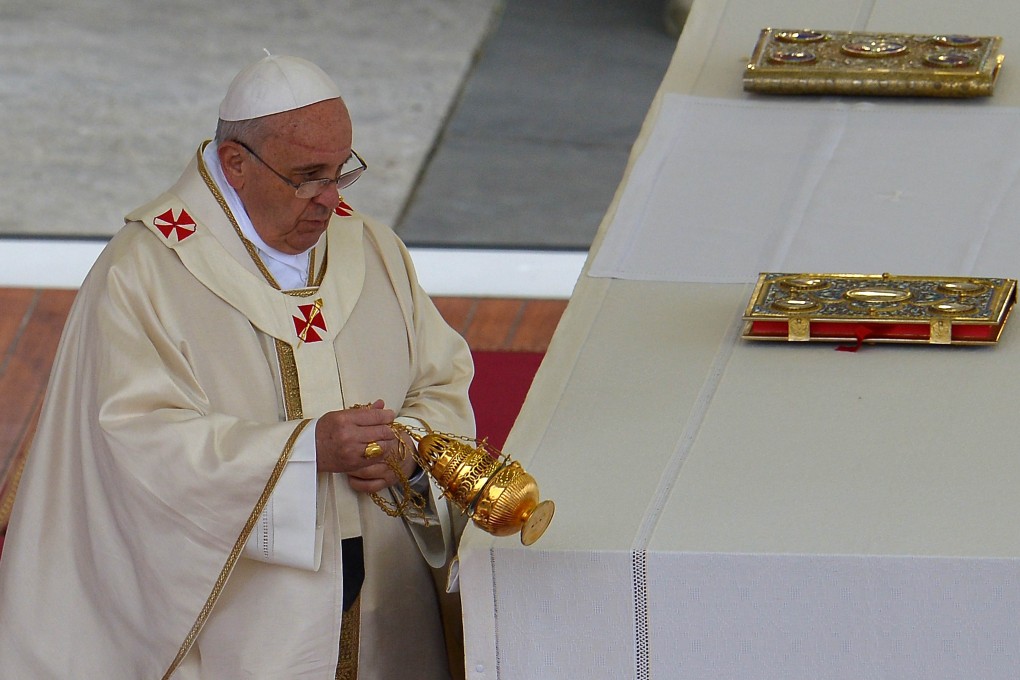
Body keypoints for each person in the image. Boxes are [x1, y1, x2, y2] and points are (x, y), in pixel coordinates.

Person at [0, 54, 474, 679]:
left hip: (385, 588)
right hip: (242, 620)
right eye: (308, 177)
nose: (331, 201)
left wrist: (407, 450)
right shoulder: (145, 273)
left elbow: (441, 382)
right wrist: (307, 453)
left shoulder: (373, 249)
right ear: (235, 165)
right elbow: (135, 448)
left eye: (342, 173)